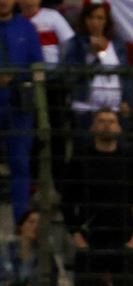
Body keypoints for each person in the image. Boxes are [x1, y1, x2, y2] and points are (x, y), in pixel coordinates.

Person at [62, 108, 133, 286]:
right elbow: (67, 200)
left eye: (111, 121)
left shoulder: (130, 157)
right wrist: (77, 237)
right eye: (101, 120)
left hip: (123, 236)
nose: (107, 125)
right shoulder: (80, 157)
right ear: (92, 126)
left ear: (119, 128)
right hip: (89, 236)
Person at [0, 0, 44, 224]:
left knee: (20, 163)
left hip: (19, 106)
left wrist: (16, 76)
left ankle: (21, 220)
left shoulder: (26, 27)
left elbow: (38, 65)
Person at [62, 0, 133, 129]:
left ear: (106, 21)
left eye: (100, 18)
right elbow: (70, 76)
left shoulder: (117, 44)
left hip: (114, 109)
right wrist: (93, 57)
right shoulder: (76, 43)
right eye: (91, 17)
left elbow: (125, 75)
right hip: (86, 109)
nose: (95, 22)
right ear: (84, 20)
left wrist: (127, 100)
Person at [0, 208, 59, 286]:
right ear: (21, 226)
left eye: (39, 223)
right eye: (31, 222)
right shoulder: (6, 251)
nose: (36, 226)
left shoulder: (47, 257)